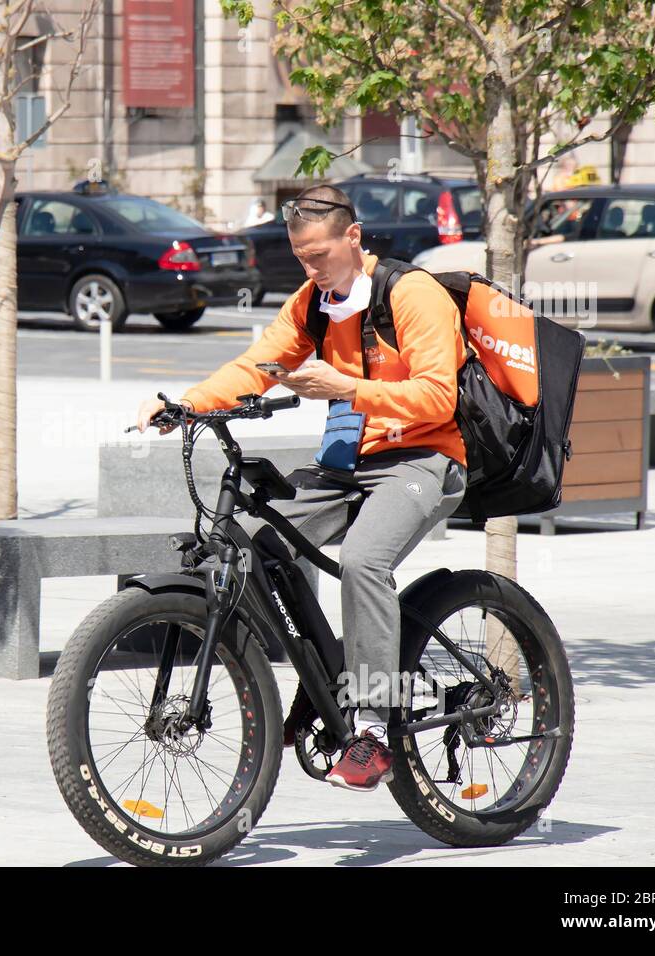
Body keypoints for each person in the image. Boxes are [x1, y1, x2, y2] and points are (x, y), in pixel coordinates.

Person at [136, 184, 469, 793]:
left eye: (319, 255)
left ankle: (370, 730)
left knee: (365, 559)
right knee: (257, 544)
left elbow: (436, 396)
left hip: (423, 458)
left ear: (353, 237)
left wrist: (345, 387)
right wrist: (185, 403)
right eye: (300, 257)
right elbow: (255, 367)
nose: (310, 268)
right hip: (344, 465)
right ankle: (321, 677)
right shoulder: (312, 303)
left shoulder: (413, 294)